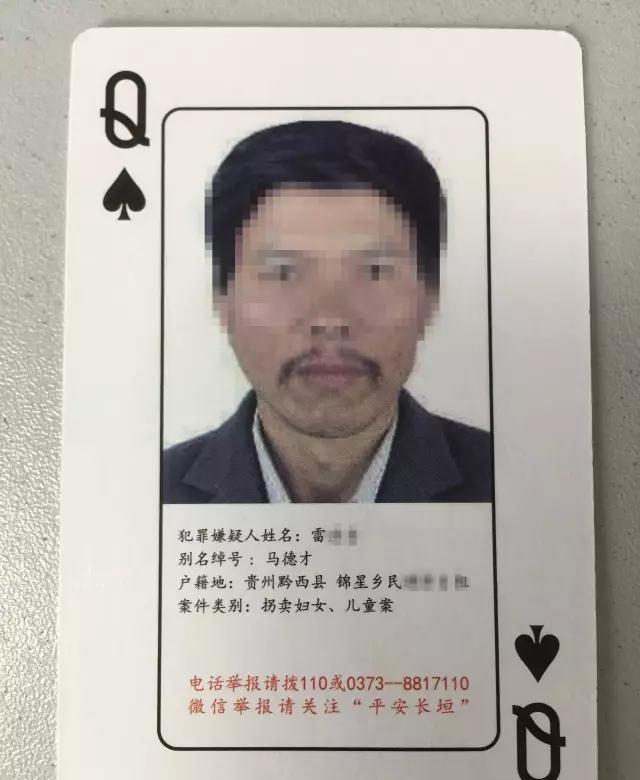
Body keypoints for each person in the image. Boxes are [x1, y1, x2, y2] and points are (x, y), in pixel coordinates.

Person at [163, 120, 491, 503]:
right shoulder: (148, 493)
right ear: (223, 300)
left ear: (429, 298)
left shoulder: (512, 479)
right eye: (284, 273)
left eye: (374, 271)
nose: (330, 319)